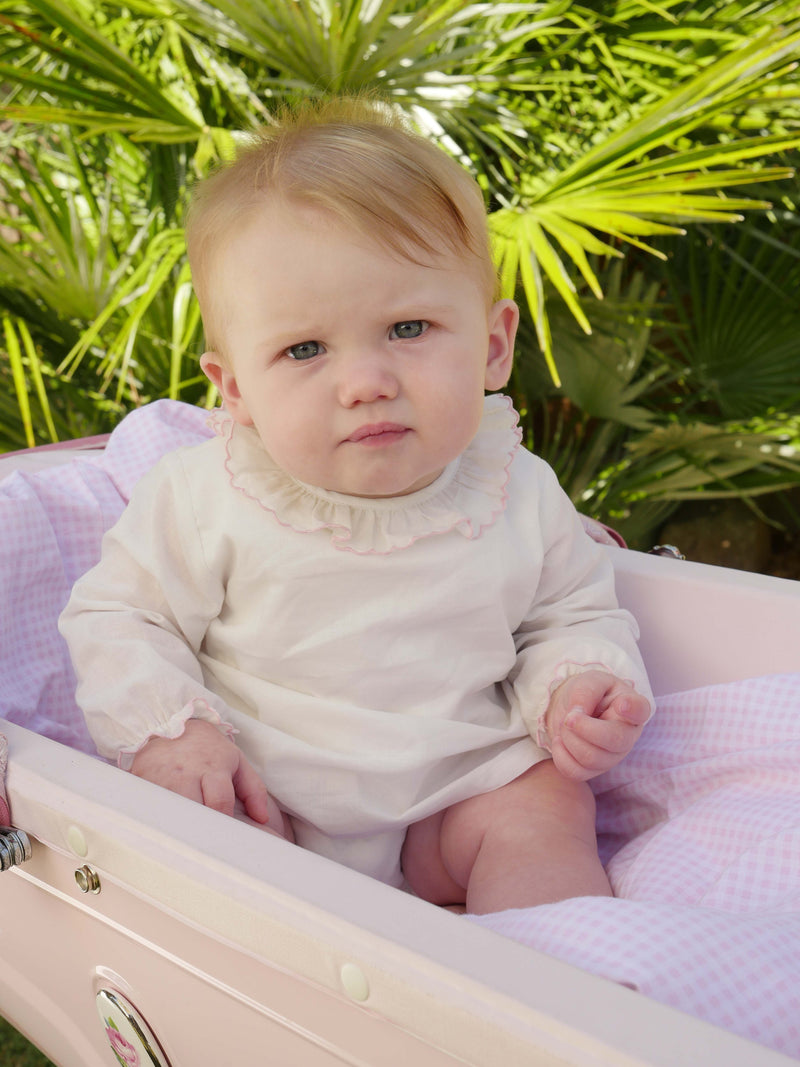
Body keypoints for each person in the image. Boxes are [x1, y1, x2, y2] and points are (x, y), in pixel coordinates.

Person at [60, 97, 653, 914]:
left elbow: (570, 612)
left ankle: (556, 989)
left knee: (546, 804)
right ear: (235, 389)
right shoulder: (204, 496)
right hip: (270, 796)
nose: (365, 380)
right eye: (304, 349)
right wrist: (174, 730)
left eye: (408, 327)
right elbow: (120, 618)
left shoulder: (520, 489)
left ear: (492, 344)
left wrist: (575, 685)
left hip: (459, 788)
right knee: (203, 844)